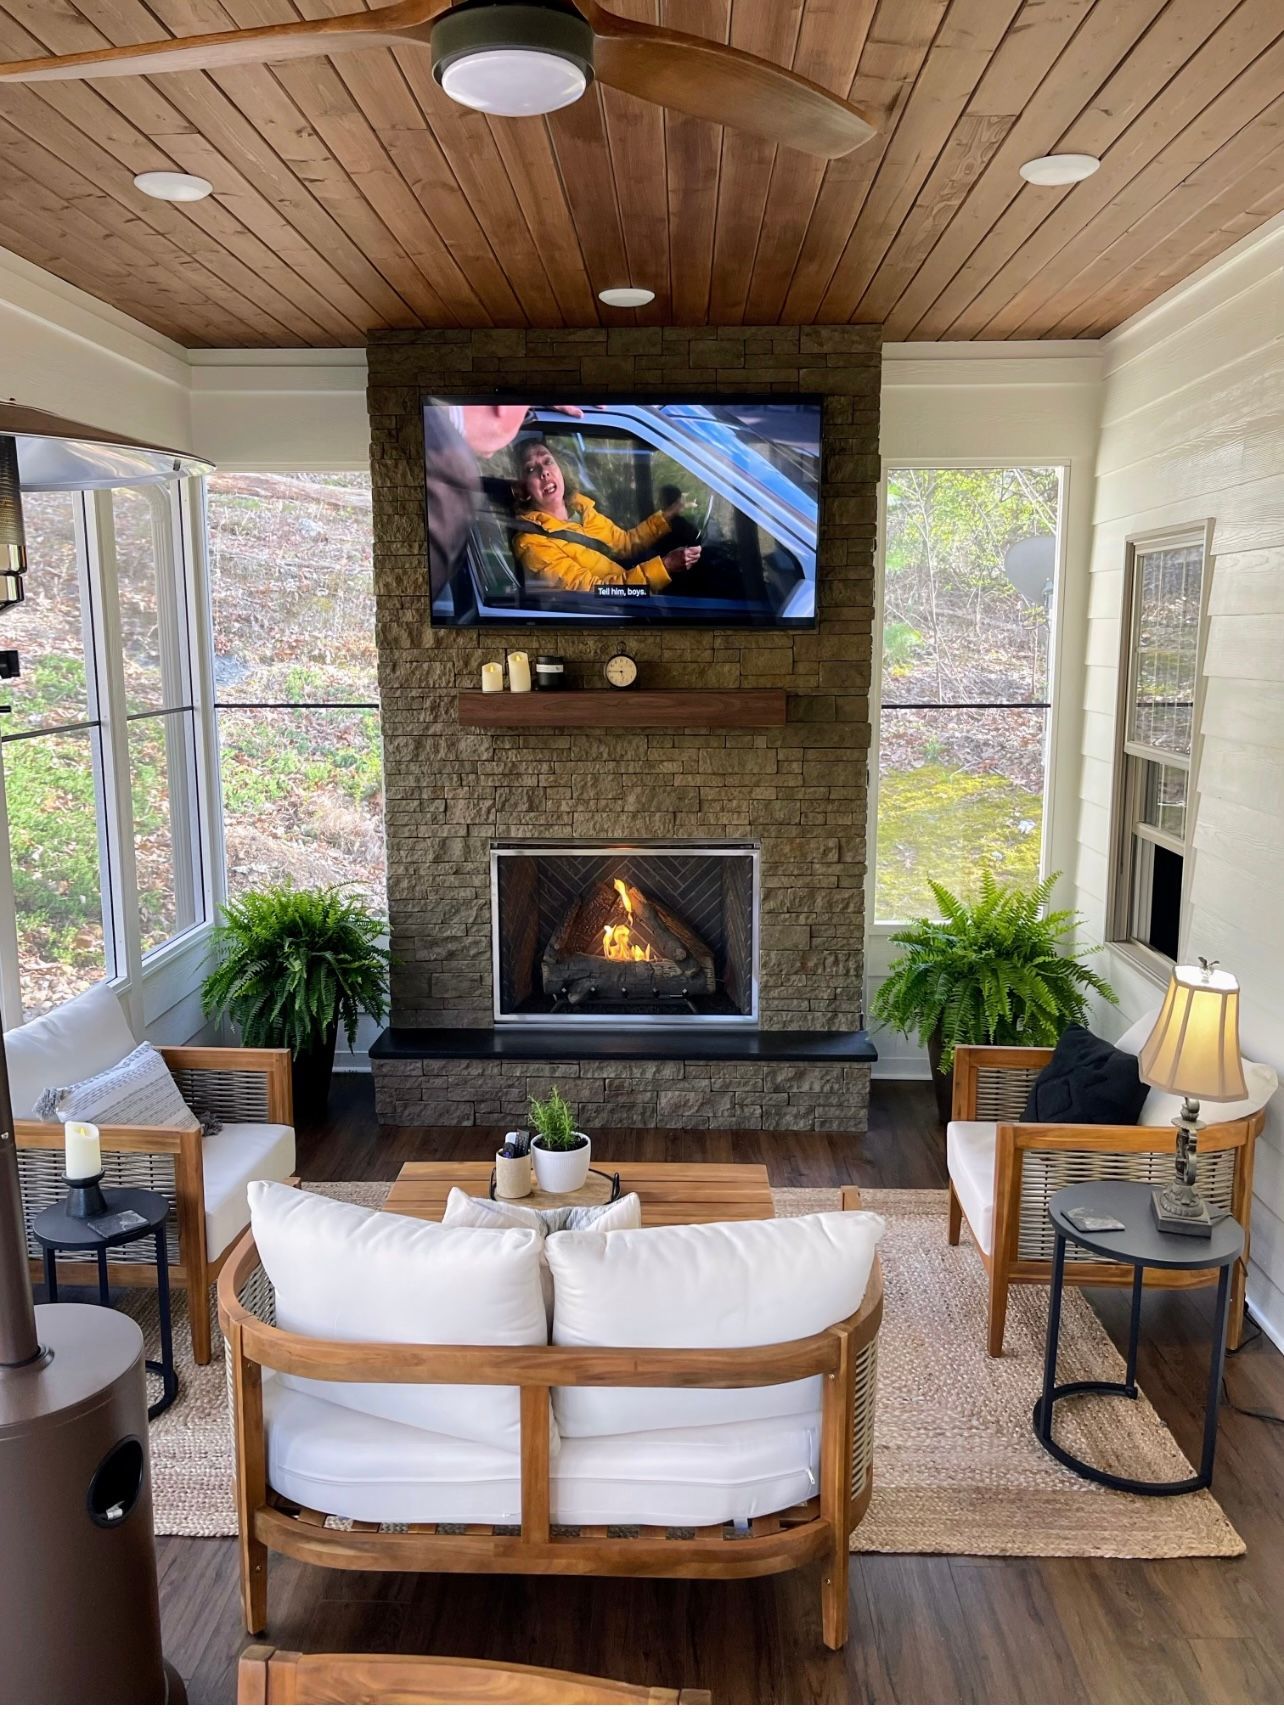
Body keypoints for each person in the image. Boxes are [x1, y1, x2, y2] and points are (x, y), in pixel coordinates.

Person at [422, 402, 584, 606]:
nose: (544, 472)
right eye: (525, 414)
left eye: (548, 461)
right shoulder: (450, 473)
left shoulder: (587, 511)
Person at [510, 439, 701, 593]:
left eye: (547, 461)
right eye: (530, 469)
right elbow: (598, 592)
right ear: (523, 490)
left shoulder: (581, 509)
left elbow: (625, 544)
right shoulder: (532, 544)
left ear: (560, 469)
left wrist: (671, 512)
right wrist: (666, 567)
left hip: (641, 598)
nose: (544, 472)